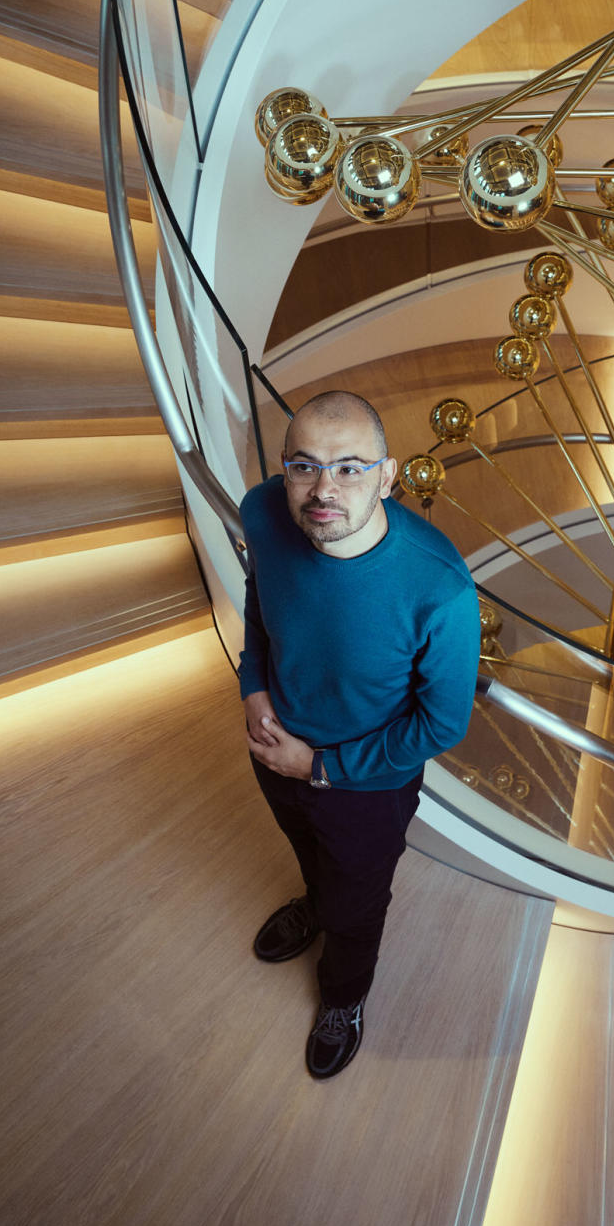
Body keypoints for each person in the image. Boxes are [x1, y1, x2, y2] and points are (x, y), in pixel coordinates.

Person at [238, 389, 481, 1079]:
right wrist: (252, 683)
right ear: (284, 469)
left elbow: (441, 723)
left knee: (357, 904)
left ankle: (344, 996)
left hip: (367, 787)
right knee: (307, 855)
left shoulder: (440, 590)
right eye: (305, 466)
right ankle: (312, 903)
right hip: (275, 746)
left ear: (389, 474)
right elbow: (262, 600)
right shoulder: (263, 511)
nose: (323, 489)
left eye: (349, 467)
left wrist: (317, 766)